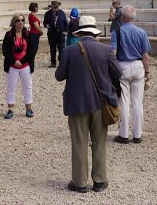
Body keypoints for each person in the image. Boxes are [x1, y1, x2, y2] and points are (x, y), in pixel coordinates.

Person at [55, 15, 122, 193]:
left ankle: (80, 182)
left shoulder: (69, 51)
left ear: (79, 33)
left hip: (76, 103)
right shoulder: (106, 50)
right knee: (99, 142)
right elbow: (119, 72)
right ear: (94, 32)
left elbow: (59, 76)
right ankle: (100, 181)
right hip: (101, 103)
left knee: (79, 143)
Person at [109, 5, 152, 144]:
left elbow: (113, 53)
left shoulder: (117, 31)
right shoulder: (142, 32)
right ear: (134, 18)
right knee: (137, 102)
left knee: (124, 102)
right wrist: (147, 72)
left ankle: (124, 135)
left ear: (122, 17)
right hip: (138, 66)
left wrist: (111, 69)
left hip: (123, 66)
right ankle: (138, 135)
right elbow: (146, 56)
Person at [1, 13, 35, 119]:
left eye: (22, 20)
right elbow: (5, 51)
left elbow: (32, 50)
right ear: (14, 22)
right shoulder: (9, 35)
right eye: (18, 20)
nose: (20, 22)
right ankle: (10, 109)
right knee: (11, 87)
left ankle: (28, 109)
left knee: (27, 87)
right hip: (12, 65)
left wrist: (22, 60)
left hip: (25, 65)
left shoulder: (28, 34)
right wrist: (14, 61)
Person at [43, 0, 69, 67]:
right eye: (54, 7)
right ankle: (53, 63)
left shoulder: (61, 13)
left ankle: (61, 62)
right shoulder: (47, 13)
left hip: (61, 34)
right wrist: (46, 25)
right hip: (52, 34)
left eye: (57, 7)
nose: (56, 8)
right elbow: (44, 22)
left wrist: (65, 31)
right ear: (51, 7)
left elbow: (66, 23)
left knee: (61, 49)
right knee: (52, 49)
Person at [27, 2, 43, 71]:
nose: (37, 8)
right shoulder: (33, 17)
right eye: (37, 7)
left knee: (32, 49)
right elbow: (37, 26)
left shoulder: (31, 15)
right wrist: (41, 31)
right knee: (33, 49)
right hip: (34, 34)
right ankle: (30, 64)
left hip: (33, 34)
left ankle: (30, 63)